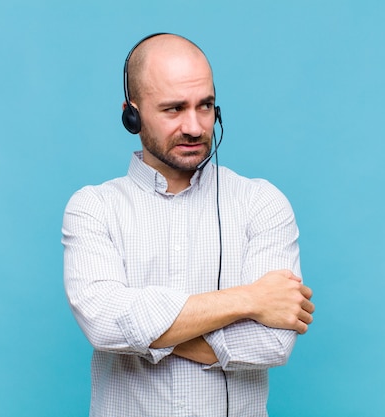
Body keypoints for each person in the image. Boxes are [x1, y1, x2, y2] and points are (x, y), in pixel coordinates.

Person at [62, 33, 315, 417]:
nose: (195, 127)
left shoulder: (261, 203)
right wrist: (250, 299)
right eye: (174, 109)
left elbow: (273, 343)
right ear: (132, 114)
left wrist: (142, 331)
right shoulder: (93, 208)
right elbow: (104, 323)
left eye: (206, 106)